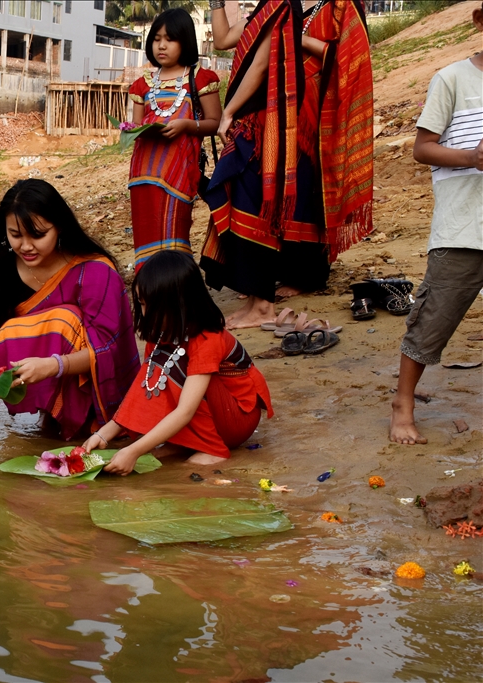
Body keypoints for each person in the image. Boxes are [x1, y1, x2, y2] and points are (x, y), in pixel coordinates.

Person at [199, 0, 374, 328]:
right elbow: (230, 42)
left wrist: (293, 39)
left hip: (300, 111)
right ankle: (257, 291)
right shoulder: (277, 4)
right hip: (265, 110)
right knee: (261, 196)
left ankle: (270, 293)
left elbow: (347, 56)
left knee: (275, 196)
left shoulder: (336, 5)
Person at [0, 179, 139, 440]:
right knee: (11, 331)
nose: (26, 246)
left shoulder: (94, 271)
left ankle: (88, 418)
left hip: (95, 382)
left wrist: (54, 366)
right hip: (38, 375)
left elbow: (107, 349)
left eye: (38, 235)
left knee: (63, 320)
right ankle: (50, 413)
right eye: (15, 235)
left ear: (59, 227)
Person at [82, 251, 274, 472]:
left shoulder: (207, 339)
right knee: (156, 372)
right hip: (209, 410)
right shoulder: (161, 335)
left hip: (237, 417)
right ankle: (186, 443)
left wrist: (133, 451)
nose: (144, 314)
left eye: (150, 307)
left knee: (171, 366)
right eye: (141, 304)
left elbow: (185, 410)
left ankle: (212, 449)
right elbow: (142, 389)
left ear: (179, 304)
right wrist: (104, 434)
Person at [390, 2, 483, 446]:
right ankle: (402, 404)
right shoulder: (452, 79)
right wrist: (472, 157)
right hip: (465, 225)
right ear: (480, 22)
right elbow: (422, 149)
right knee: (433, 319)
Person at [126, 8, 221, 272]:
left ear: (186, 41)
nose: (161, 45)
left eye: (170, 39)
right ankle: (150, 295)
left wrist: (187, 126)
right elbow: (135, 126)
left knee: (174, 237)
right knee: (146, 240)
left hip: (178, 173)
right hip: (143, 173)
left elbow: (215, 123)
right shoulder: (141, 85)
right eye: (156, 39)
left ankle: (180, 294)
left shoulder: (200, 78)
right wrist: (131, 130)